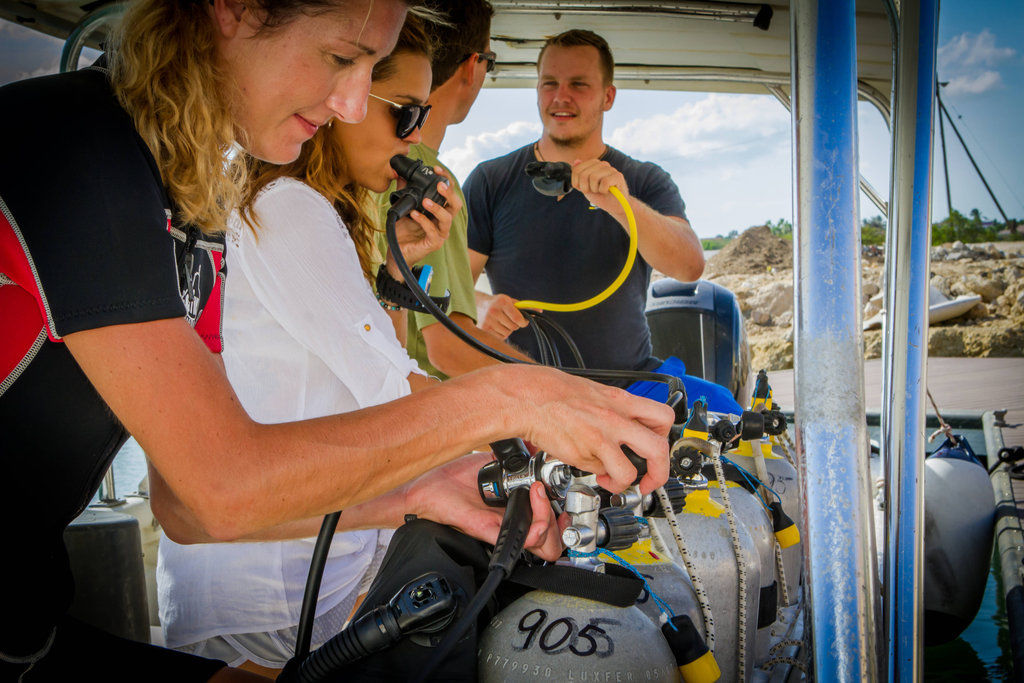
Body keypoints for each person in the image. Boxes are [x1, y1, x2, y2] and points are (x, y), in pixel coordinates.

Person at [0, 1, 672, 679]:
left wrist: (415, 493)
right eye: (340, 57)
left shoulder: (187, 209)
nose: (352, 104)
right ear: (234, 9)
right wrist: (511, 398)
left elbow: (185, 509)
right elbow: (218, 486)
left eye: (369, 70)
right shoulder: (80, 149)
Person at [157, 16, 455, 675]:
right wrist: (539, 421)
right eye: (404, 115)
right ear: (338, 97)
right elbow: (401, 395)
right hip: (269, 601)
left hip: (301, 577)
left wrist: (400, 270)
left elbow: (372, 374)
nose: (419, 142)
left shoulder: (304, 208)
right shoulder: (289, 206)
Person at [464, 29, 706, 392]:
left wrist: (620, 205)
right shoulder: (490, 180)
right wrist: (481, 306)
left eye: (579, 84)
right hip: (525, 394)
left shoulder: (642, 179)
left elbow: (689, 266)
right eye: (550, 83)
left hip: (629, 388)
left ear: (608, 97)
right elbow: (450, 286)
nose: (561, 97)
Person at [374, 0, 533, 379]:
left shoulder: (372, 170)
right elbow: (449, 347)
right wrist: (570, 392)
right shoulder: (427, 178)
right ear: (473, 65)